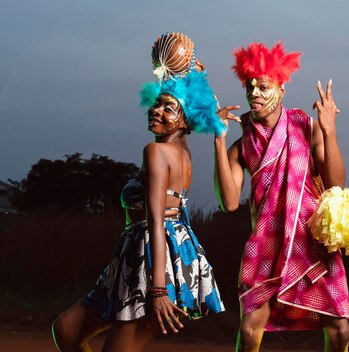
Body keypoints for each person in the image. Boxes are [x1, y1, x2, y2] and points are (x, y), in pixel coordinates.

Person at [51, 33, 226, 352]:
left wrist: (158, 290)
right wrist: (192, 75)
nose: (157, 110)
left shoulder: (156, 153)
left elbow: (157, 220)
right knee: (65, 330)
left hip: (151, 264)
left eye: (168, 108)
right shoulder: (181, 152)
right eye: (157, 103)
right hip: (134, 258)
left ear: (185, 121)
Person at [213, 42, 349, 352]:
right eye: (250, 88)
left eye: (263, 87)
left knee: (340, 328)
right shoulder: (242, 145)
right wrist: (219, 141)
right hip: (266, 242)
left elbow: (336, 185)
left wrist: (329, 131)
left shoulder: (306, 127)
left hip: (311, 239)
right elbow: (230, 202)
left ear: (281, 89)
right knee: (250, 330)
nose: (254, 94)